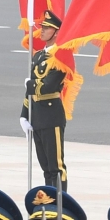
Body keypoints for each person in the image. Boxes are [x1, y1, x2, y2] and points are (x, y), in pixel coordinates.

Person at [23, 13, 69, 191]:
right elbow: (29, 90)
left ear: (56, 33)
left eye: (47, 28)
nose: (42, 31)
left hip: (51, 114)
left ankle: (60, 205)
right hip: (38, 114)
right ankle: (50, 205)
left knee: (56, 167)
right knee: (46, 168)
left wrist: (31, 85)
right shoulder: (39, 55)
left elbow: (49, 85)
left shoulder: (60, 56)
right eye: (42, 27)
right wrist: (24, 114)